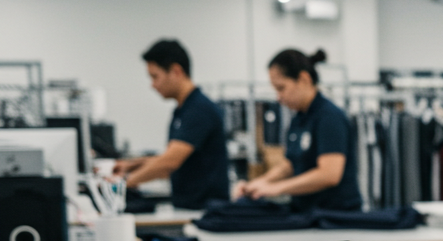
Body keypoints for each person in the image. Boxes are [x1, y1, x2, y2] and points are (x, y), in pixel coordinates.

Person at [233, 49, 361, 212]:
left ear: (303, 79)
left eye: (281, 88)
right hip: (308, 213)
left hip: (335, 216)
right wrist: (259, 183)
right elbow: (292, 163)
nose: (278, 97)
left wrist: (277, 188)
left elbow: (329, 174)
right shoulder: (299, 118)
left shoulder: (329, 117)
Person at [112, 39, 229, 209]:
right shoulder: (184, 109)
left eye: (155, 77)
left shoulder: (199, 109)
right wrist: (131, 166)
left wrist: (121, 185)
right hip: (190, 207)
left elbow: (169, 163)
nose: (152, 85)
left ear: (176, 71)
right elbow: (172, 156)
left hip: (206, 211)